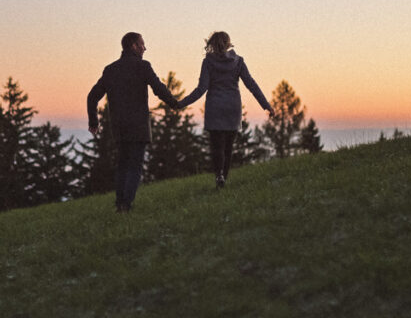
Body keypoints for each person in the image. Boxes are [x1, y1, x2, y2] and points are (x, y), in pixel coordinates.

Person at [87, 32, 180, 212]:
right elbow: (158, 88)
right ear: (134, 46)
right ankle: (126, 205)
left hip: (119, 126)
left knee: (122, 164)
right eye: (142, 44)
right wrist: (174, 103)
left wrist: (94, 121)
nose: (145, 48)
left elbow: (92, 97)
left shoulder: (110, 69)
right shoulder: (143, 66)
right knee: (135, 165)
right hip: (138, 125)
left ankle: (120, 202)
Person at [178, 31, 273, 188]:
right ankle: (224, 179)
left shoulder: (207, 62)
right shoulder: (239, 61)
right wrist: (266, 105)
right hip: (232, 107)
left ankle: (219, 176)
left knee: (217, 147)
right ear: (228, 43)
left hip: (215, 107)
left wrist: (181, 103)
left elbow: (201, 89)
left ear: (212, 44)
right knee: (228, 147)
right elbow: (251, 84)